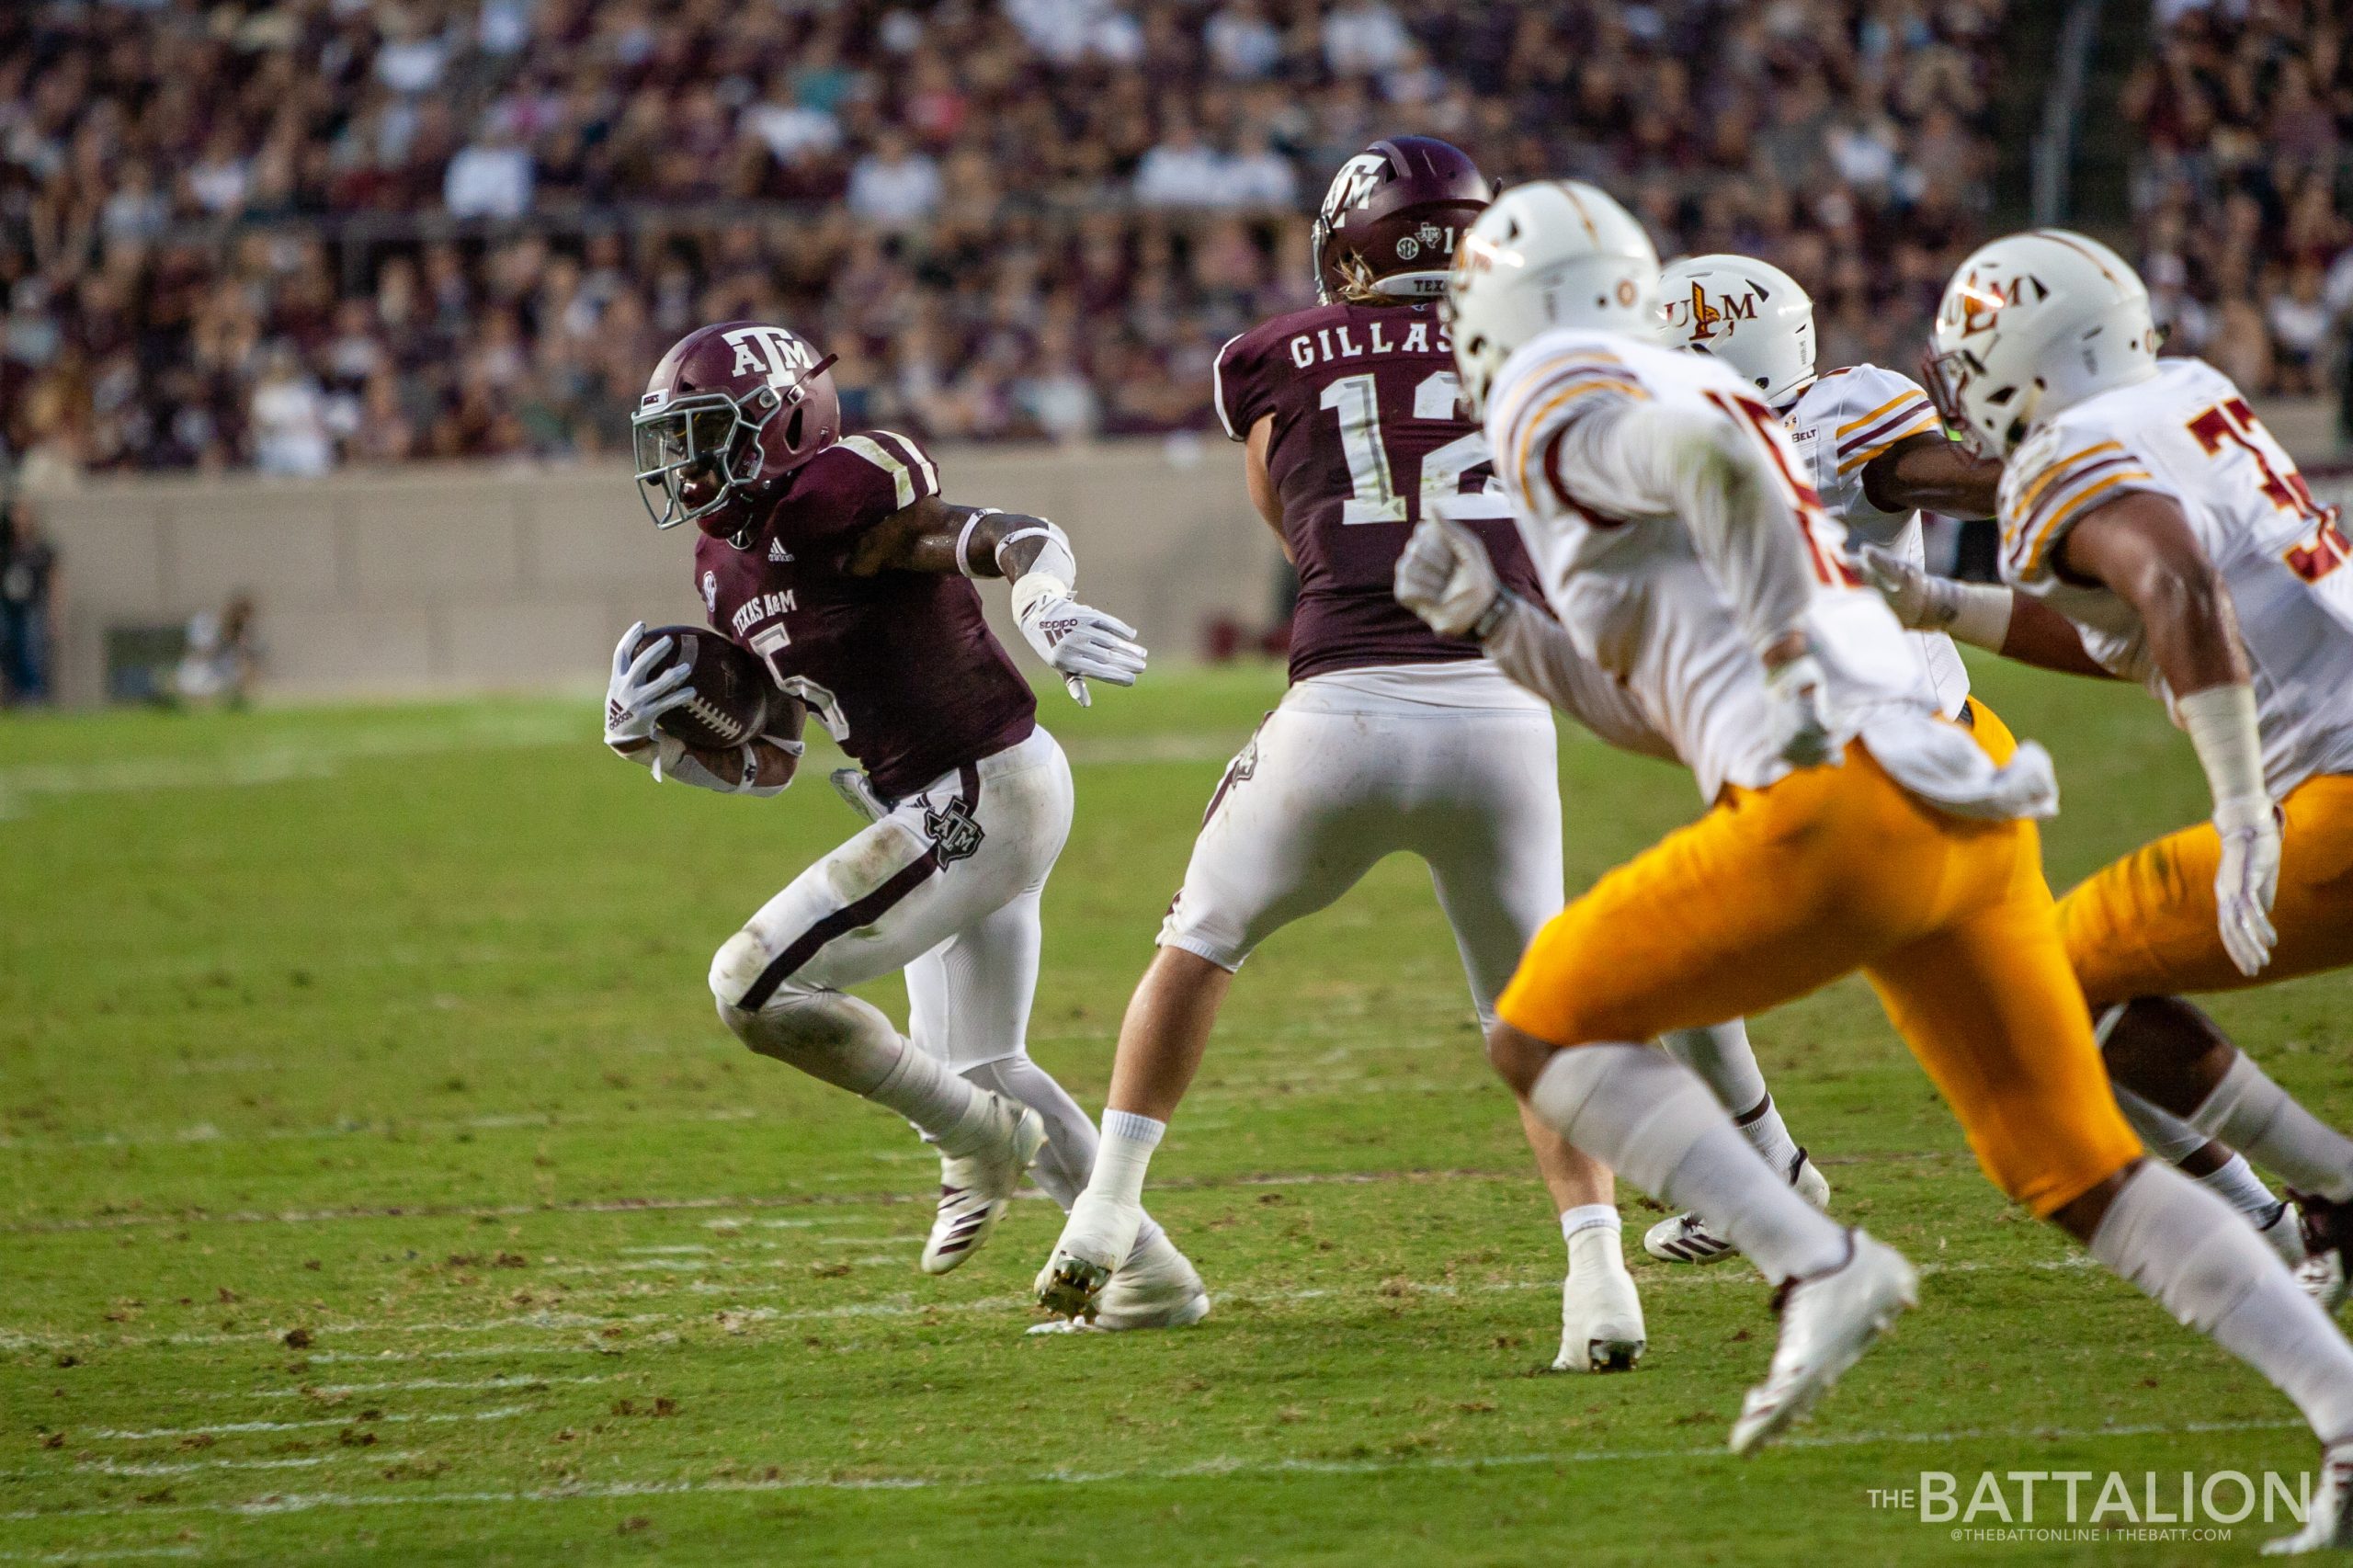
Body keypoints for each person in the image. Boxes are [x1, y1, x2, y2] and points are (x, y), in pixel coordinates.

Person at [1386, 182, 2353, 1531]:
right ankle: (2343, 1406)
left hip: (1840, 798)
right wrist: (1498, 623)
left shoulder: (1566, 387)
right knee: (2074, 1166)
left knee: (1541, 1020)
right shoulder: (1710, 401)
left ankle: (1807, 1252)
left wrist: (1784, 651)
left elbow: (1714, 485)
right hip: (1957, 806)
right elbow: (1659, 716)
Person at [1038, 136, 1746, 1367]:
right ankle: (1601, 1282)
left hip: (1345, 705)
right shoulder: (1542, 348)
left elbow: (1289, 506)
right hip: (1504, 713)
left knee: (1199, 942)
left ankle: (1106, 1207)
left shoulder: (1270, 352)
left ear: (1350, 245)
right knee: (1534, 1016)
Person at [1649, 253, 2320, 1277]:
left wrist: (2064, 488)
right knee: (2055, 1011)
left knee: (2039, 1016)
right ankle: (2267, 1215)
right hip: (1861, 762)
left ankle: (1773, 1172)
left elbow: (1948, 478)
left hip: (1912, 769)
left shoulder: (1826, 428)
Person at [609, 320, 1203, 1315]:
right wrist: (662, 743)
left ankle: (971, 1138)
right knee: (982, 1060)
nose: (684, 463)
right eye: (673, 438)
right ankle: (1148, 1277)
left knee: (750, 983)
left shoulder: (842, 494)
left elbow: (1017, 535)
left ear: (779, 420)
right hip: (942, 795)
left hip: (982, 788)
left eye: (703, 432)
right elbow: (779, 753)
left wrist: (1045, 604)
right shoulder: (721, 560)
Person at [1856, 233, 2353, 1349]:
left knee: (2053, 982)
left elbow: (2173, 584)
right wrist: (1938, 601)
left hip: (2338, 792)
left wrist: (2237, 809)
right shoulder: (2190, 391)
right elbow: (2131, 632)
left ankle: (2335, 1189)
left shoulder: (2061, 458)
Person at [0, 497, 59, 706]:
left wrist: (54, 614)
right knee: (7, 645)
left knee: (31, 650)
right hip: (7, 606)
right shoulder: (5, 547)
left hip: (32, 607)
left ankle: (32, 696)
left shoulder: (41, 548)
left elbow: (54, 581)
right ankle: (11, 693)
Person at [176, 593, 261, 708]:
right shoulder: (210, 623)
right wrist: (223, 638)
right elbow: (202, 652)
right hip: (200, 671)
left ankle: (235, 701)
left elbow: (244, 658)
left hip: (220, 673)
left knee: (242, 669)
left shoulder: (240, 633)